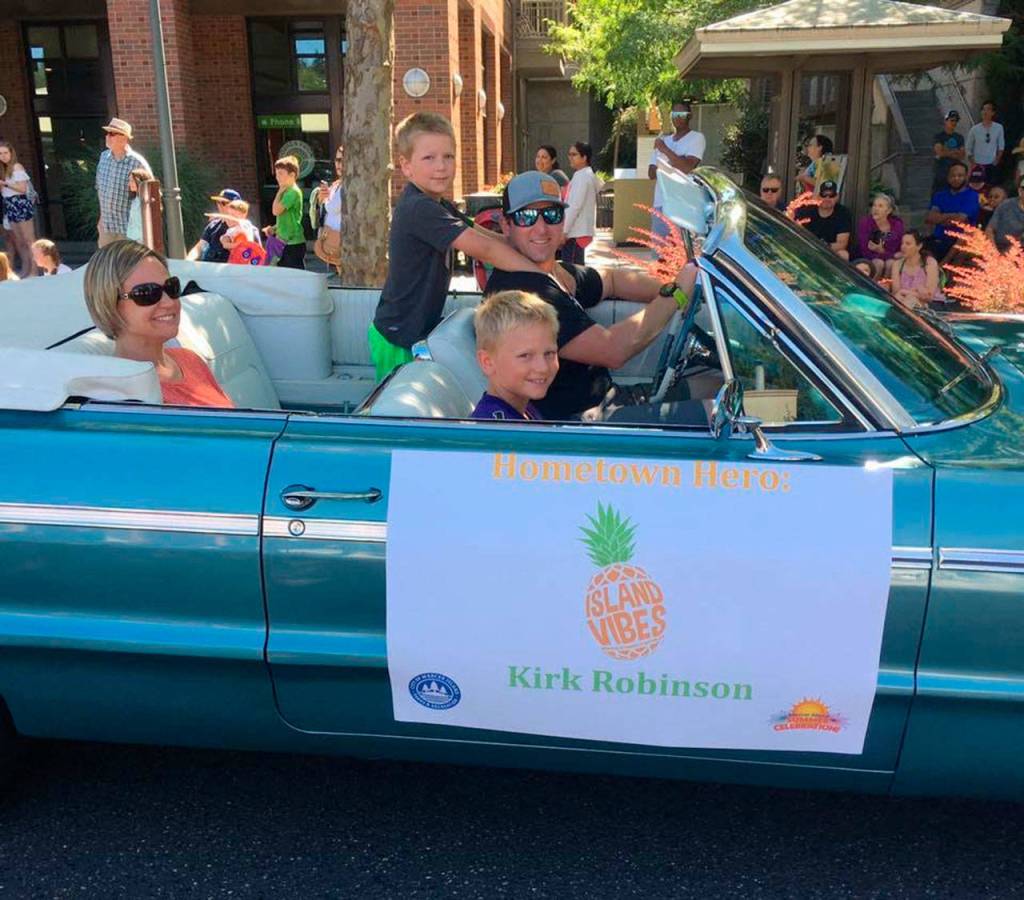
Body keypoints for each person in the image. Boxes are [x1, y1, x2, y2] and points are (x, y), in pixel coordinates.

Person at [485, 171, 700, 422]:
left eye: (552, 215)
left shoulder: (554, 273)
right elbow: (613, 350)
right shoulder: (523, 293)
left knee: (718, 385)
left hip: (610, 399)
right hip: (581, 424)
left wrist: (684, 288)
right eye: (526, 217)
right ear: (506, 226)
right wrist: (676, 295)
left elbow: (611, 280)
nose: (541, 228)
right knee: (720, 414)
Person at [369, 112, 545, 382]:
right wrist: (542, 276)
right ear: (406, 166)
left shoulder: (440, 205)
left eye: (448, 156)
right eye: (429, 158)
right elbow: (484, 250)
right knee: (400, 402)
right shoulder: (419, 208)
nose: (441, 166)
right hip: (397, 335)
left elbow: (486, 236)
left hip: (414, 329)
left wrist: (530, 248)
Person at [83, 239, 233, 408]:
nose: (169, 302)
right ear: (108, 302)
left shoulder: (189, 359)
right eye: (147, 293)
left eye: (171, 287)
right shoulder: (123, 396)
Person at [471, 290, 559, 421]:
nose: (543, 367)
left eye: (549, 353)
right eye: (525, 355)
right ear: (487, 362)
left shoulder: (524, 409)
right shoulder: (495, 428)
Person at [647, 100, 705, 238]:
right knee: (659, 248)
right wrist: (676, 160)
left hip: (683, 205)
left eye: (682, 114)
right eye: (674, 114)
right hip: (661, 202)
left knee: (681, 248)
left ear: (689, 116)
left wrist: (665, 151)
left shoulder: (696, 138)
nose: (677, 117)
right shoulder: (664, 139)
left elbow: (687, 167)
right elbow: (651, 173)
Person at [95, 118, 151, 248]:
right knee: (108, 260)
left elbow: (150, 196)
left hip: (129, 229)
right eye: (107, 133)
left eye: (112, 134)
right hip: (107, 227)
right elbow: (99, 188)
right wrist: (101, 218)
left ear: (124, 138)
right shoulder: (103, 158)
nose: (107, 137)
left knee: (129, 260)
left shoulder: (137, 162)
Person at [925, 161, 979, 262]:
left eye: (960, 175)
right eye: (953, 175)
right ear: (948, 177)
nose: (956, 178)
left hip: (960, 240)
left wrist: (941, 217)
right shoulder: (939, 195)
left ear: (966, 177)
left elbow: (960, 219)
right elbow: (930, 218)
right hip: (939, 238)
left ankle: (943, 265)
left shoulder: (972, 196)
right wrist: (952, 215)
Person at [0, 140, 38, 279]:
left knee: (29, 240)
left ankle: (34, 270)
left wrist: (6, 184)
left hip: (20, 203)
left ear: (11, 153)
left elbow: (22, 189)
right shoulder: (3, 170)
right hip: (9, 204)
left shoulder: (17, 167)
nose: (3, 156)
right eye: (0, 154)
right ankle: (25, 268)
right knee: (19, 241)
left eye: (5, 153)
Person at [262, 156, 306, 270]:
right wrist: (275, 228)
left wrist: (279, 192)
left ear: (292, 175)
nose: (277, 177)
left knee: (294, 274)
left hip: (292, 243)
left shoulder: (292, 192)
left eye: (281, 174)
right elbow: (288, 218)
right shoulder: (287, 192)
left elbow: (275, 211)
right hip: (284, 242)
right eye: (276, 174)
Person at [562, 142, 601, 265]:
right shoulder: (584, 174)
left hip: (575, 233)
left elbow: (574, 206)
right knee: (575, 268)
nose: (570, 157)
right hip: (578, 232)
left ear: (584, 158)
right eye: (569, 154)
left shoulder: (583, 176)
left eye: (574, 154)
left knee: (572, 270)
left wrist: (564, 231)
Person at [796, 180, 852, 260]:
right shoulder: (807, 211)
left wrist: (823, 246)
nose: (827, 198)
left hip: (831, 251)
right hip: (809, 248)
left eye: (831, 195)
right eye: (824, 195)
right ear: (818, 196)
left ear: (837, 197)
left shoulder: (843, 213)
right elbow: (798, 235)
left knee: (843, 254)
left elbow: (842, 244)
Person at [311, 145, 344, 275]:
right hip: (332, 237)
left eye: (343, 160)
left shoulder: (348, 184)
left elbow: (332, 208)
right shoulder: (337, 184)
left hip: (340, 240)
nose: (339, 164)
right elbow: (325, 207)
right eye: (337, 160)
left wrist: (325, 199)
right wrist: (322, 198)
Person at [854, 193, 904, 278]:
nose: (875, 209)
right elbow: (866, 251)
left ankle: (885, 285)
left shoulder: (896, 225)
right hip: (867, 258)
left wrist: (882, 251)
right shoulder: (865, 223)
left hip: (889, 259)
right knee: (879, 263)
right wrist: (887, 253)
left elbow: (899, 249)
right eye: (874, 205)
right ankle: (872, 285)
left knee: (891, 264)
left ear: (888, 211)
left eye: (880, 206)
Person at [890, 230, 943, 309]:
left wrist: (905, 292)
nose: (903, 247)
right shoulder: (897, 264)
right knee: (899, 299)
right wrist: (916, 291)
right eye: (902, 243)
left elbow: (929, 296)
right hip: (904, 300)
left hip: (931, 304)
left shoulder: (929, 263)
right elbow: (896, 291)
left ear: (919, 246)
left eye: (908, 244)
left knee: (911, 300)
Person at [187, 188, 242, 262]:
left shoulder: (245, 228)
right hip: (208, 267)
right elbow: (199, 247)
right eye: (218, 202)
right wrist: (188, 260)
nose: (220, 206)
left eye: (223, 203)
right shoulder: (213, 225)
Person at [965, 101, 1005, 184]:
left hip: (992, 164)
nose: (985, 112)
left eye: (988, 109)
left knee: (991, 186)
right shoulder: (974, 129)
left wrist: (997, 159)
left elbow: (1001, 146)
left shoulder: (998, 127)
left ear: (993, 113)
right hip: (978, 164)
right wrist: (973, 162)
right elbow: (968, 147)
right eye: (983, 109)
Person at [932, 110, 965, 193]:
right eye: (952, 120)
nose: (954, 123)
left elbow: (962, 155)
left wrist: (947, 151)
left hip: (955, 173)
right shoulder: (939, 136)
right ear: (945, 121)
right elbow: (939, 152)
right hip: (941, 171)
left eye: (956, 121)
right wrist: (954, 152)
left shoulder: (959, 137)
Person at [985, 181, 1024, 252]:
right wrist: (993, 250)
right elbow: (990, 229)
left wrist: (1005, 254)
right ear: (1020, 191)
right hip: (994, 247)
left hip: (1017, 251)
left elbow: (1020, 241)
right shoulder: (1006, 204)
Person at [126, 168, 154, 243]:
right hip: (133, 241)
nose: (129, 184)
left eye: (132, 181)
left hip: (144, 242)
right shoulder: (135, 200)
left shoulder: (148, 201)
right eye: (129, 181)